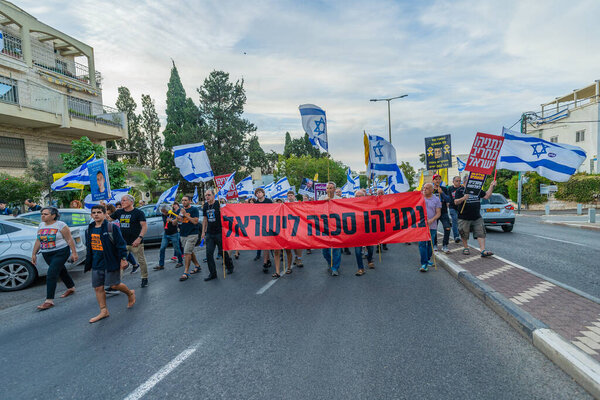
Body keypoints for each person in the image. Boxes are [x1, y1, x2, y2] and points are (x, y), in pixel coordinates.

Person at [85, 204, 135, 323]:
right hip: (96, 262)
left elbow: (121, 244)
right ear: (91, 215)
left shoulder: (111, 227)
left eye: (99, 212)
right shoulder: (90, 229)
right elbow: (89, 247)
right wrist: (89, 262)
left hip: (110, 260)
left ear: (104, 214)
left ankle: (130, 293)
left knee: (114, 285)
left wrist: (123, 258)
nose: (96, 214)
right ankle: (104, 311)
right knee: (98, 287)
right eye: (94, 213)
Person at [31, 207, 78, 310]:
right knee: (61, 270)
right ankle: (71, 287)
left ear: (53, 216)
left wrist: (74, 253)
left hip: (61, 251)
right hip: (46, 253)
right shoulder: (41, 225)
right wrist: (34, 254)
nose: (43, 216)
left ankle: (49, 300)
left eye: (46, 214)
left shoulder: (61, 225)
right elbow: (39, 240)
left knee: (51, 273)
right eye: (42, 214)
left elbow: (69, 239)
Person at [109, 194, 149, 288]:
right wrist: (102, 208)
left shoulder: (138, 213)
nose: (122, 202)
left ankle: (144, 278)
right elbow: (108, 219)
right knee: (119, 261)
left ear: (131, 202)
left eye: (124, 200)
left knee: (141, 261)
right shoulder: (119, 212)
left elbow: (144, 226)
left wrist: (139, 238)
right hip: (123, 242)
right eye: (122, 200)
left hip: (135, 242)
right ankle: (116, 283)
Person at [454, 179, 497, 257]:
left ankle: (483, 250)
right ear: (464, 182)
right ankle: (466, 247)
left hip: (477, 216)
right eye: (469, 181)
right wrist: (463, 198)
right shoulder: (460, 190)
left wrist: (491, 186)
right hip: (464, 217)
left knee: (481, 232)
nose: (472, 183)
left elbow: (486, 196)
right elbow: (456, 202)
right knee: (464, 233)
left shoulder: (477, 190)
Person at [200, 189, 234, 281]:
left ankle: (230, 265)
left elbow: (227, 214)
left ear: (213, 195)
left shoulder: (218, 204)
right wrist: (203, 232)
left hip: (219, 232)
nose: (207, 197)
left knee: (222, 252)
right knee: (209, 254)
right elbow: (205, 219)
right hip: (210, 233)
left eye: (209, 195)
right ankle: (213, 273)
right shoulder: (205, 206)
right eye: (206, 195)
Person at [319, 182, 342, 276]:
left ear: (334, 189)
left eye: (331, 188)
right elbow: (317, 209)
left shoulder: (339, 199)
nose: (329, 190)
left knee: (335, 249)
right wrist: (325, 201)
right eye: (327, 188)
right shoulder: (321, 198)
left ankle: (335, 268)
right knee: (325, 251)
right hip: (324, 228)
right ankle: (330, 262)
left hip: (336, 227)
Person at [177, 195, 202, 281]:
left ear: (190, 201)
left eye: (185, 200)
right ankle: (197, 266)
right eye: (182, 200)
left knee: (187, 252)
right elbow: (179, 222)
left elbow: (195, 222)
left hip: (192, 234)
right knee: (190, 251)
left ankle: (186, 272)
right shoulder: (181, 210)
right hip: (183, 234)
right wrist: (177, 219)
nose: (183, 202)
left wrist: (185, 215)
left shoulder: (194, 209)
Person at [419, 183, 441, 272]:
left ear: (432, 190)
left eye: (427, 188)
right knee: (422, 244)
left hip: (432, 225)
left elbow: (438, 213)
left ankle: (427, 259)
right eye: (424, 188)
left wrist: (432, 220)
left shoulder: (436, 200)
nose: (425, 189)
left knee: (430, 244)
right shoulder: (420, 198)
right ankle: (424, 264)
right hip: (421, 225)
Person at [155, 206, 183, 270]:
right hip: (166, 234)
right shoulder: (163, 215)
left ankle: (180, 262)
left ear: (167, 210)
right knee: (162, 248)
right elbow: (164, 222)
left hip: (174, 234)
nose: (163, 213)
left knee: (177, 248)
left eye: (164, 211)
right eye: (162, 211)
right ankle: (161, 265)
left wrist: (171, 220)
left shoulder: (173, 214)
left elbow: (175, 224)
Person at [354, 189, 374, 276]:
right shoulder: (350, 206)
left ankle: (369, 260)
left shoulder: (369, 205)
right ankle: (360, 268)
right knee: (358, 251)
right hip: (356, 232)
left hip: (368, 231)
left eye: (360, 196)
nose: (358, 198)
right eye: (356, 196)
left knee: (370, 249)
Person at [432, 173, 452, 253]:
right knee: (434, 229)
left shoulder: (444, 188)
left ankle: (445, 245)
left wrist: (442, 193)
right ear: (433, 180)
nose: (437, 180)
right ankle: (434, 244)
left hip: (443, 212)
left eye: (439, 179)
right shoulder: (431, 189)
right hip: (433, 213)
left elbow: (448, 200)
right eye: (436, 179)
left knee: (447, 228)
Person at [254, 187, 273, 273]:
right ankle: (266, 261)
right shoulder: (256, 203)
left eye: (260, 192)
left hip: (269, 225)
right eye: (257, 193)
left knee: (267, 244)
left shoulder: (269, 201)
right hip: (260, 226)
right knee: (264, 244)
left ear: (263, 193)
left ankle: (266, 261)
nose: (258, 194)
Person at [447, 176, 462, 243]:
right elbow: (449, 198)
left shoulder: (462, 188)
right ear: (453, 182)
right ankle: (456, 236)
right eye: (457, 181)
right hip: (452, 207)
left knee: (461, 223)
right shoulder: (450, 188)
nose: (458, 182)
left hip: (461, 208)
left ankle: (461, 236)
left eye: (459, 181)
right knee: (455, 220)